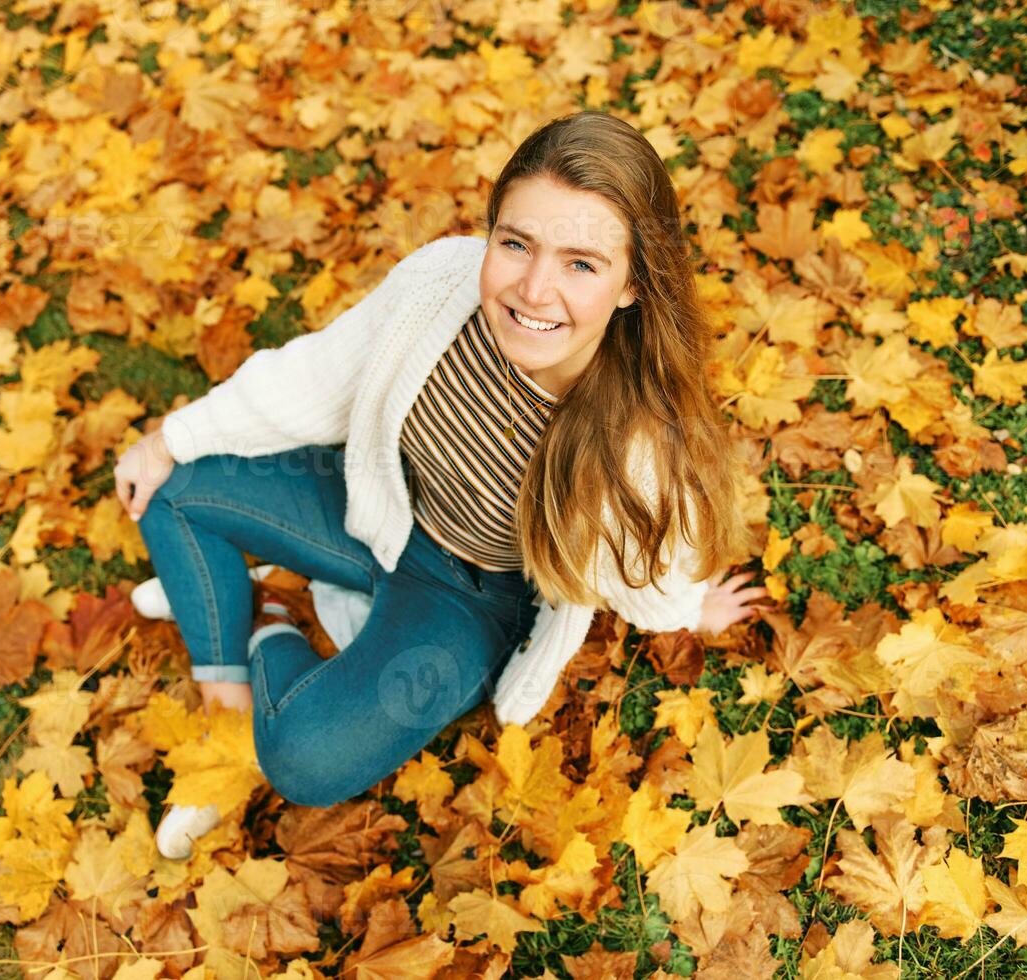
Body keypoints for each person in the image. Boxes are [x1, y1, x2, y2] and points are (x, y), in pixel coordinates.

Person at [112, 110, 771, 859]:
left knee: (305, 758)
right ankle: (223, 704)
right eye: (515, 244)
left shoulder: (640, 445)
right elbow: (322, 371)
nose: (533, 289)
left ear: (631, 285)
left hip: (466, 592)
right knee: (168, 484)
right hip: (380, 506)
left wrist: (692, 606)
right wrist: (174, 436)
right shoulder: (441, 286)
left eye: (580, 264)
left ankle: (261, 615)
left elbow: (648, 578)